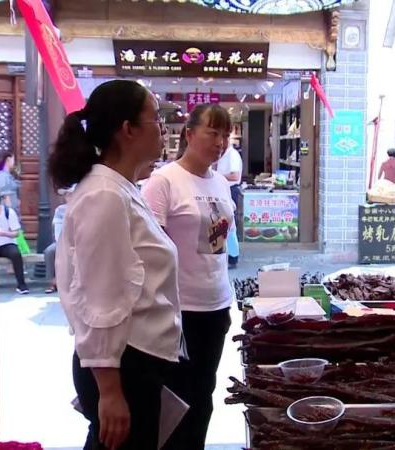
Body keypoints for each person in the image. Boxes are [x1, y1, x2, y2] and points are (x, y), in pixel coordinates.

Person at [48, 79, 185, 450]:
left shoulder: (121, 188)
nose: (163, 130)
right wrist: (109, 391)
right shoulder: (105, 194)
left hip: (136, 360)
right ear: (128, 129)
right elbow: (100, 297)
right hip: (124, 365)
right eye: (156, 119)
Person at [142, 103, 235, 450]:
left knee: (203, 395)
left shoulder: (221, 183)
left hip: (216, 306)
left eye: (225, 135)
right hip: (177, 311)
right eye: (212, 133)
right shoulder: (163, 181)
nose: (220, 142)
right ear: (190, 134)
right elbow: (148, 250)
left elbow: (220, 246)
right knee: (176, 399)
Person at [0, 190, 29, 295]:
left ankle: (21, 285)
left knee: (16, 254)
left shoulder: (9, 212)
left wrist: (3, 233)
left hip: (7, 244)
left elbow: (16, 233)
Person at [215, 141, 243, 268]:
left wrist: (216, 176)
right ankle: (226, 255)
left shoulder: (232, 155)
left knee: (230, 225)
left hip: (230, 190)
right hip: (222, 190)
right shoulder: (223, 155)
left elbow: (235, 175)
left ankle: (233, 257)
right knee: (222, 224)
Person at [42, 187, 71, 295]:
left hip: (79, 241)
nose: (69, 197)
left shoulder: (82, 208)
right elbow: (57, 228)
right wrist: (61, 242)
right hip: (62, 240)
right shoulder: (60, 210)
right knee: (49, 251)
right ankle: (52, 281)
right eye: (67, 195)